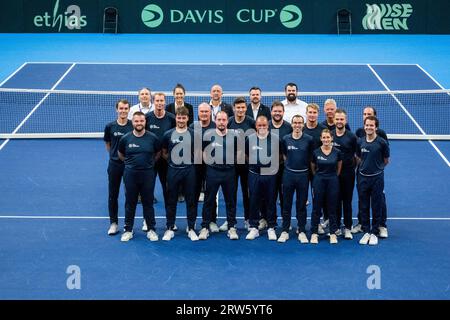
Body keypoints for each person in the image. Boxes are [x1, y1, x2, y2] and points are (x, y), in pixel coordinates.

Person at [118, 111, 161, 242]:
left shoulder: (153, 138)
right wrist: (130, 164)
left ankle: (151, 229)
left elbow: (158, 153)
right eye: (136, 121)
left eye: (141, 121)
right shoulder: (125, 138)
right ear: (133, 122)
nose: (139, 123)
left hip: (148, 174)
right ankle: (128, 230)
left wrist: (150, 163)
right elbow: (121, 154)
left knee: (148, 202)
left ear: (145, 122)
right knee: (130, 203)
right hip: (130, 175)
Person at [198, 111, 239, 240]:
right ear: (215, 120)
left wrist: (231, 163)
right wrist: (210, 163)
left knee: (230, 201)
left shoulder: (234, 136)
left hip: (229, 173)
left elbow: (239, 152)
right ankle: (205, 227)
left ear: (227, 121)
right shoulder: (208, 135)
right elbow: (202, 151)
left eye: (224, 120)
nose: (221, 122)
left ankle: (231, 227)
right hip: (213, 172)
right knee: (208, 200)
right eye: (219, 119)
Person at [161, 106, 199, 241]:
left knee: (191, 200)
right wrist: (173, 162)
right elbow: (164, 153)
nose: (181, 120)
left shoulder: (194, 134)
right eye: (179, 117)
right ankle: (170, 228)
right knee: (171, 200)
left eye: (184, 118)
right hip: (173, 171)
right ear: (175, 118)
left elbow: (198, 152)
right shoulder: (168, 134)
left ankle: (191, 228)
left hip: (190, 171)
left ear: (187, 118)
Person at [352, 106, 389, 238]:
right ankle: (363, 225)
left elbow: (385, 158)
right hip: (362, 174)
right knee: (363, 201)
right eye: (364, 114)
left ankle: (381, 225)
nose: (366, 116)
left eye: (369, 114)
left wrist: (377, 169)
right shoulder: (359, 133)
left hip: (376, 175)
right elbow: (358, 155)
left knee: (379, 201)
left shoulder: (382, 136)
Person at [220, 97, 255, 231]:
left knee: (248, 193)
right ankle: (231, 221)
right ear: (234, 109)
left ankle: (248, 219)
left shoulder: (251, 122)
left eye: (243, 107)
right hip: (231, 165)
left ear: (246, 108)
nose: (240, 110)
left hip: (247, 165)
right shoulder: (229, 122)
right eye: (238, 108)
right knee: (231, 193)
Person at [143, 93, 176, 232]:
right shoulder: (147, 118)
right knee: (148, 191)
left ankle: (170, 222)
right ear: (153, 101)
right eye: (157, 100)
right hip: (151, 161)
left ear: (165, 102)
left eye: (162, 100)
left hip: (166, 161)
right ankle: (147, 221)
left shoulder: (171, 118)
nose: (159, 103)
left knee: (167, 191)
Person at [278, 115, 313, 243]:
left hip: (303, 176)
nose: (297, 125)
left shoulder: (309, 139)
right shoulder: (285, 139)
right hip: (288, 175)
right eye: (295, 123)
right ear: (291, 124)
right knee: (286, 204)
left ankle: (302, 230)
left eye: (300, 123)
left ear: (303, 125)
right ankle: (285, 230)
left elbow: (310, 157)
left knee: (301, 205)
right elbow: (285, 155)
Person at [246, 115, 280, 241]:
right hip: (254, 175)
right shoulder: (250, 139)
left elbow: (280, 155)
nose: (261, 128)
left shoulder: (276, 139)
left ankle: (271, 227)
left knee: (271, 201)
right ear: (256, 126)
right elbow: (246, 154)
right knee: (254, 200)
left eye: (264, 125)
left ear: (268, 126)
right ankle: (254, 227)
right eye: (259, 125)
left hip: (270, 175)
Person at [260, 101, 292, 230]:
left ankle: (285, 221)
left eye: (280, 111)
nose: (277, 113)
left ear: (283, 112)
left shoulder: (289, 127)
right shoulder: (265, 126)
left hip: (283, 168)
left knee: (284, 196)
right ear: (271, 112)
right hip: (268, 168)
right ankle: (266, 219)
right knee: (268, 196)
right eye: (275, 111)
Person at [103, 99, 133, 236]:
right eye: (121, 108)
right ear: (117, 109)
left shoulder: (133, 125)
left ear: (129, 110)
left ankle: (128, 224)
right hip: (114, 166)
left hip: (129, 166)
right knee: (112, 195)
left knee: (129, 196)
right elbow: (108, 145)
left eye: (126, 108)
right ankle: (114, 223)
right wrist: (115, 156)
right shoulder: (110, 126)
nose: (123, 111)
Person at [310, 129, 342, 245]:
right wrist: (319, 177)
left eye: (328, 137)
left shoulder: (337, 152)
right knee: (316, 208)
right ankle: (314, 233)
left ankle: (333, 233)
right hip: (319, 181)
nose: (326, 140)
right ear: (321, 139)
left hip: (333, 181)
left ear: (331, 138)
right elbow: (313, 167)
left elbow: (339, 167)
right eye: (324, 137)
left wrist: (332, 177)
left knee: (332, 208)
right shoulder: (316, 152)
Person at [190, 103, 219, 231]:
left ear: (210, 113)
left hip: (212, 167)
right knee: (193, 194)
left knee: (211, 193)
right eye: (202, 112)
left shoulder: (216, 126)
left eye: (206, 112)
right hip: (195, 167)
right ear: (198, 113)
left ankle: (212, 220)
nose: (204, 114)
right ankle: (193, 221)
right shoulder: (192, 127)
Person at [332, 109, 357, 240]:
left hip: (348, 174)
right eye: (337, 119)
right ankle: (335, 227)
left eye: (342, 119)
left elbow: (357, 156)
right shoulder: (329, 135)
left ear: (345, 120)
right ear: (334, 120)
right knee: (335, 201)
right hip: (333, 175)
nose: (339, 121)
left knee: (347, 201)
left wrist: (351, 168)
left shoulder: (352, 137)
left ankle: (348, 227)